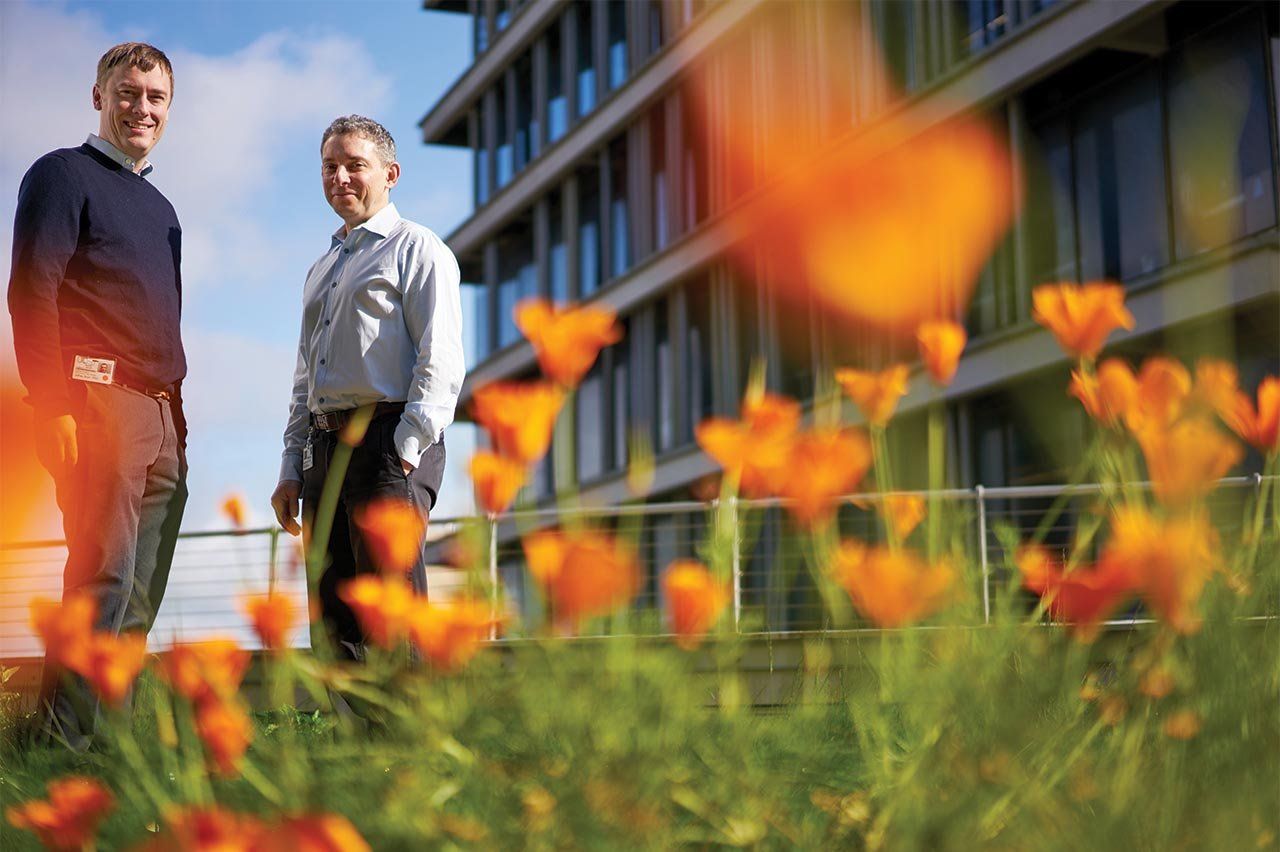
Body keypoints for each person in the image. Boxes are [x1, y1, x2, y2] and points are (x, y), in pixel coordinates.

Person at [7, 43, 187, 748]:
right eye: (129, 92)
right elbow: (33, 290)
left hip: (164, 413)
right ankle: (62, 747)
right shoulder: (61, 174)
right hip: (95, 401)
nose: (142, 107)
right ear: (99, 96)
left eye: (156, 97)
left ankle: (110, 747)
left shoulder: (164, 208)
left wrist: (175, 416)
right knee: (102, 576)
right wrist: (51, 404)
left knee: (141, 593)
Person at [270, 115, 464, 661]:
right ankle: (353, 745)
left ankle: (407, 746)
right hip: (323, 453)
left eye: (356, 165)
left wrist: (405, 449)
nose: (340, 177)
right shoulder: (322, 267)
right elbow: (305, 376)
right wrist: (292, 467)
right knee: (333, 627)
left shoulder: (418, 248)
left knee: (392, 618)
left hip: (387, 445)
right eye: (330, 167)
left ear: (391, 173)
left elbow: (441, 358)